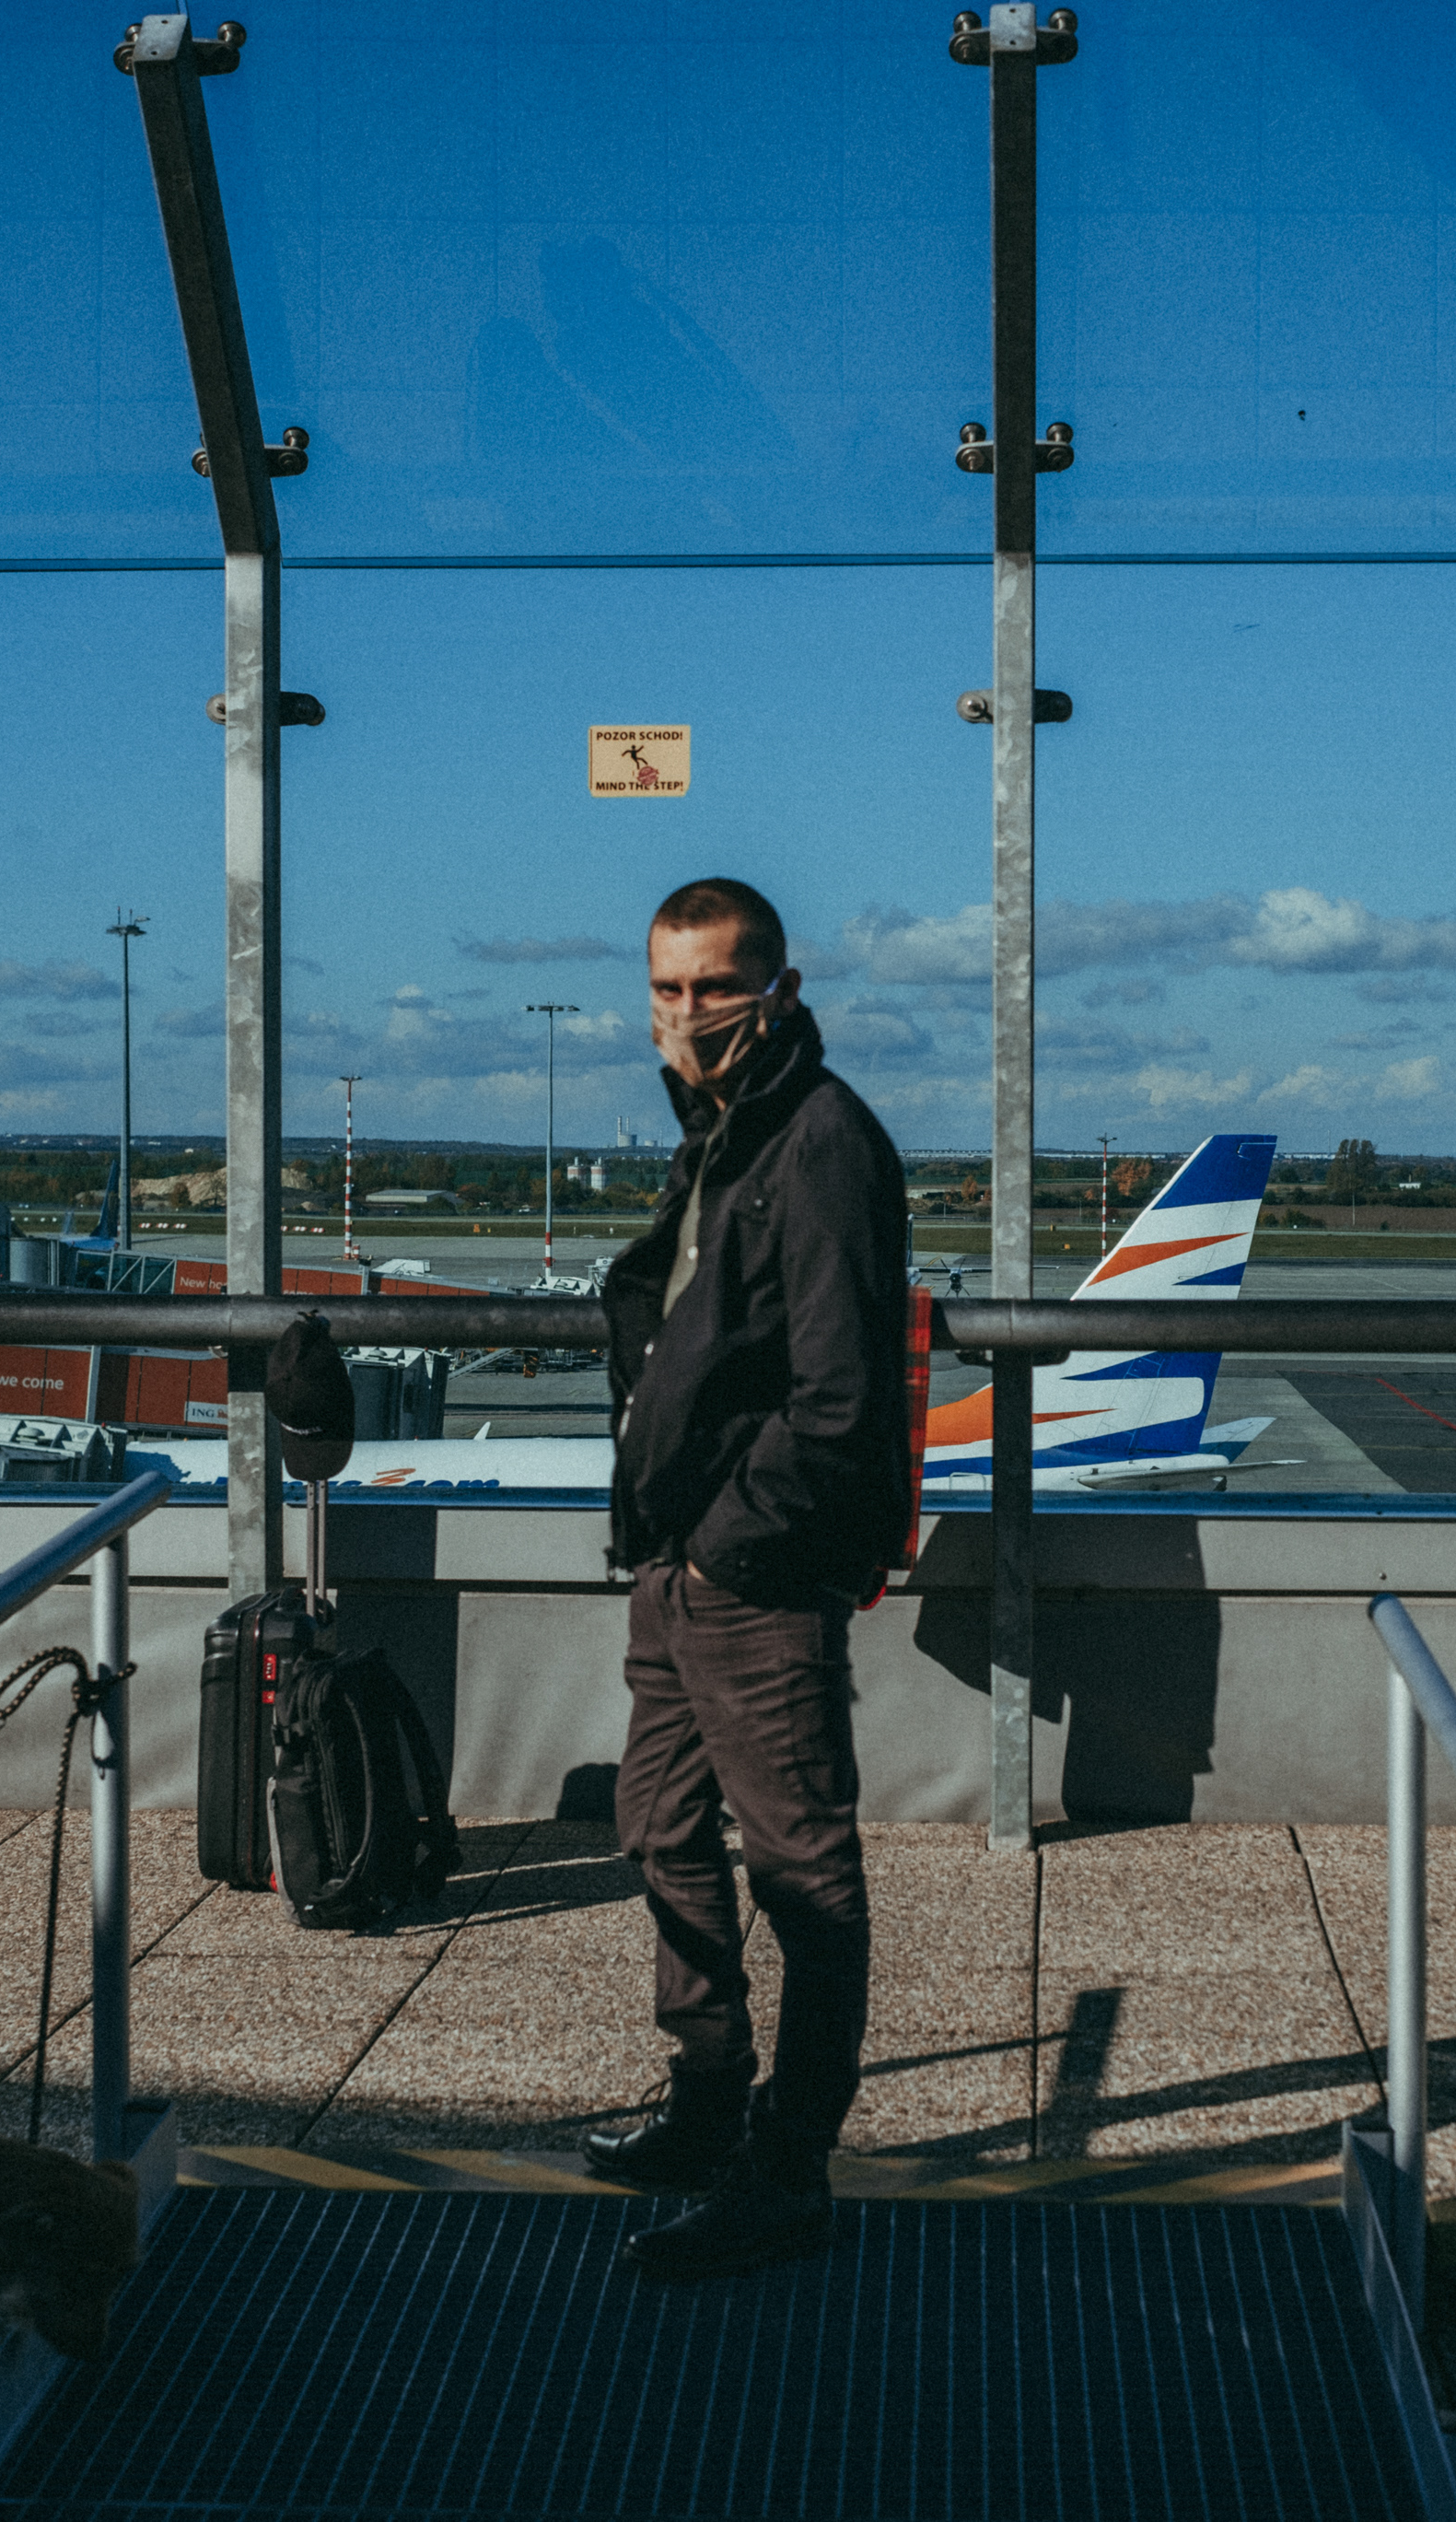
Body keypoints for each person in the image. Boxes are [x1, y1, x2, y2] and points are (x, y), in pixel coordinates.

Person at [585, 876, 910, 2281]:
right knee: (657, 1829)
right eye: (667, 987)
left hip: (752, 1571)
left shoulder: (819, 1141)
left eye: (715, 985)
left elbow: (841, 1395)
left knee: (802, 1878)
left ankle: (788, 2171)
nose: (687, 1012)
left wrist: (727, 1540)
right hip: (677, 1557)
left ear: (777, 988)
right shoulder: (724, 1134)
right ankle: (708, 2096)